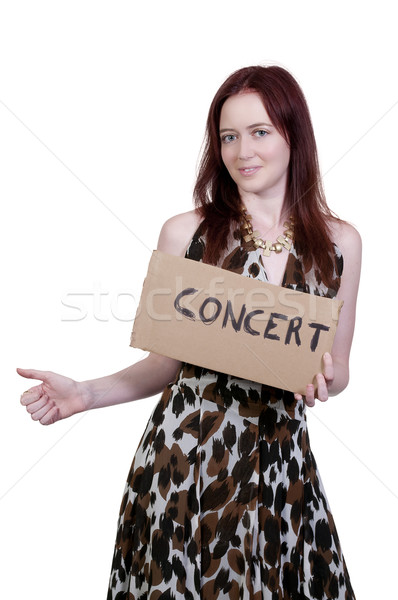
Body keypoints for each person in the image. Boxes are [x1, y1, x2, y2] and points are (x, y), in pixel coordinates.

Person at [18, 65, 361, 600]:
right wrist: (85, 393)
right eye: (228, 136)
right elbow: (165, 363)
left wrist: (326, 380)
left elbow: (336, 371)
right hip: (188, 469)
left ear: (295, 135)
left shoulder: (340, 244)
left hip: (282, 472)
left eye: (259, 132)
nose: (242, 150)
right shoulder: (186, 234)